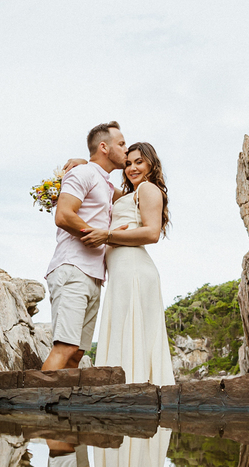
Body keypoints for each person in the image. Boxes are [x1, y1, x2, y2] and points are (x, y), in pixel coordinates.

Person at [85, 142, 175, 385]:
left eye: (139, 162)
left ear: (151, 164)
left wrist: (107, 236)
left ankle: (134, 386)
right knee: (122, 327)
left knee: (130, 327)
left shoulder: (148, 189)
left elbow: (152, 233)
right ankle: (123, 386)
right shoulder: (129, 194)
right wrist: (83, 164)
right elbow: (102, 183)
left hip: (133, 268)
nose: (132, 168)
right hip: (121, 270)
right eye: (128, 163)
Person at [42, 122, 128, 371]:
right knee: (65, 348)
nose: (126, 149)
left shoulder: (106, 184)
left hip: (94, 276)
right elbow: (63, 215)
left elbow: (135, 196)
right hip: (73, 268)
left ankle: (61, 398)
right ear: (104, 147)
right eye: (121, 144)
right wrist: (100, 235)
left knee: (77, 354)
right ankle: (37, 398)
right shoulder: (83, 173)